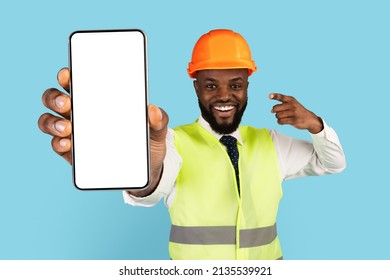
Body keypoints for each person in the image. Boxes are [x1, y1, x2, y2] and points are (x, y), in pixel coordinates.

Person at [38, 29, 346, 260]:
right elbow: (147, 191)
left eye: (235, 85)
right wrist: (142, 173)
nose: (224, 96)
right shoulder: (173, 141)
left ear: (247, 85)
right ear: (195, 85)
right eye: (211, 85)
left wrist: (316, 126)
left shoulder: (272, 143)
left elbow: (333, 164)